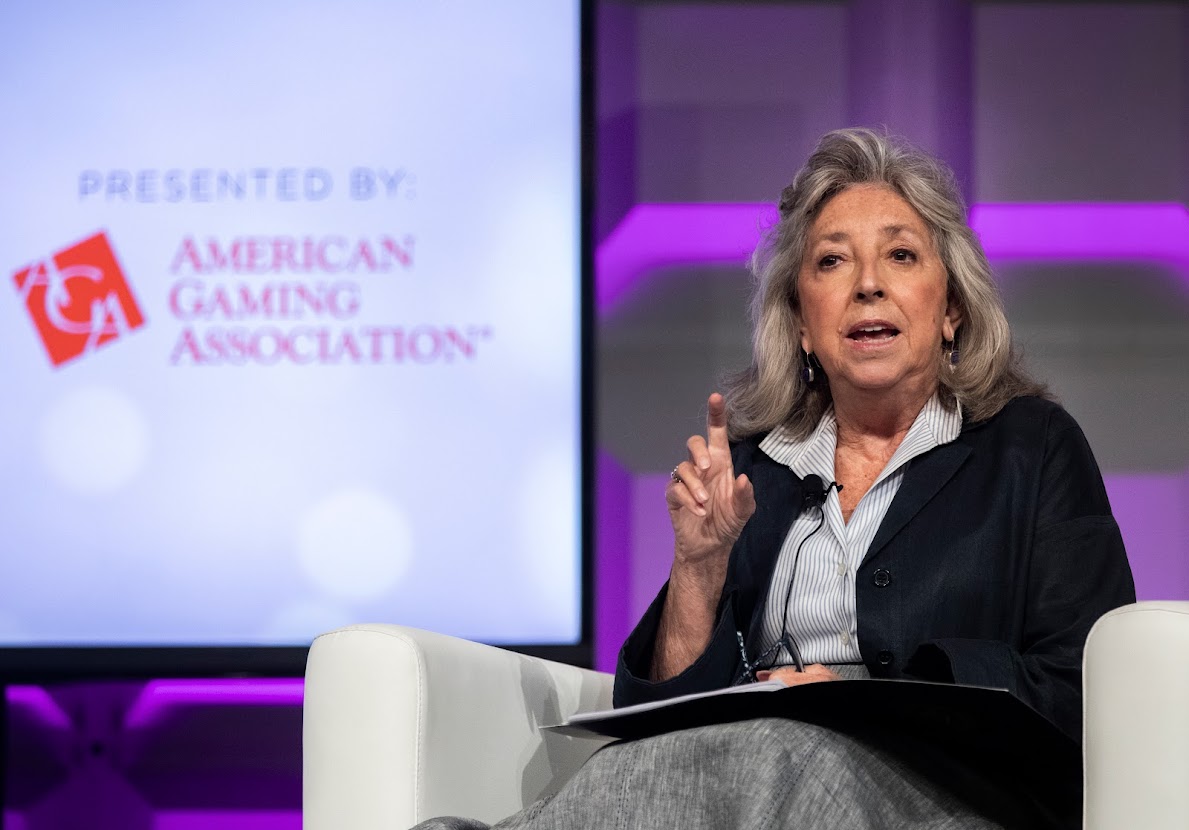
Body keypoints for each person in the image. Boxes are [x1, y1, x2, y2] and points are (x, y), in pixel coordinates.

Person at [418, 129, 1135, 830]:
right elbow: (664, 721)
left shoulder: (1029, 449)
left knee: (783, 755)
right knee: (669, 769)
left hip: (955, 792)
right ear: (799, 325)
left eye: (900, 255)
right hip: (754, 773)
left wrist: (863, 698)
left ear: (950, 309)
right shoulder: (757, 468)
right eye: (831, 262)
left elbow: (1080, 683)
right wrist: (698, 567)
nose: (867, 286)